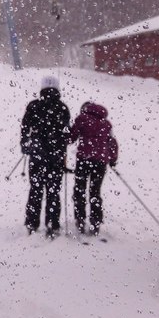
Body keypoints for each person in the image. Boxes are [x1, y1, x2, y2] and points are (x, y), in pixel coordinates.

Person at [20, 75, 71, 238]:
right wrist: (61, 149)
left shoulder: (34, 106)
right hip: (55, 156)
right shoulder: (62, 108)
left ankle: (32, 224)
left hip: (37, 156)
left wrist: (25, 145)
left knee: (35, 190)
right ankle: (52, 224)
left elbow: (25, 127)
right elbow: (66, 134)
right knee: (53, 191)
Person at [69, 101, 118, 235]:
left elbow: (71, 137)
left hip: (84, 160)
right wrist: (113, 160)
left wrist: (65, 132)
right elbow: (112, 142)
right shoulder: (106, 124)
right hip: (100, 162)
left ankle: (80, 220)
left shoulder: (82, 119)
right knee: (95, 191)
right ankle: (95, 222)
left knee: (80, 190)